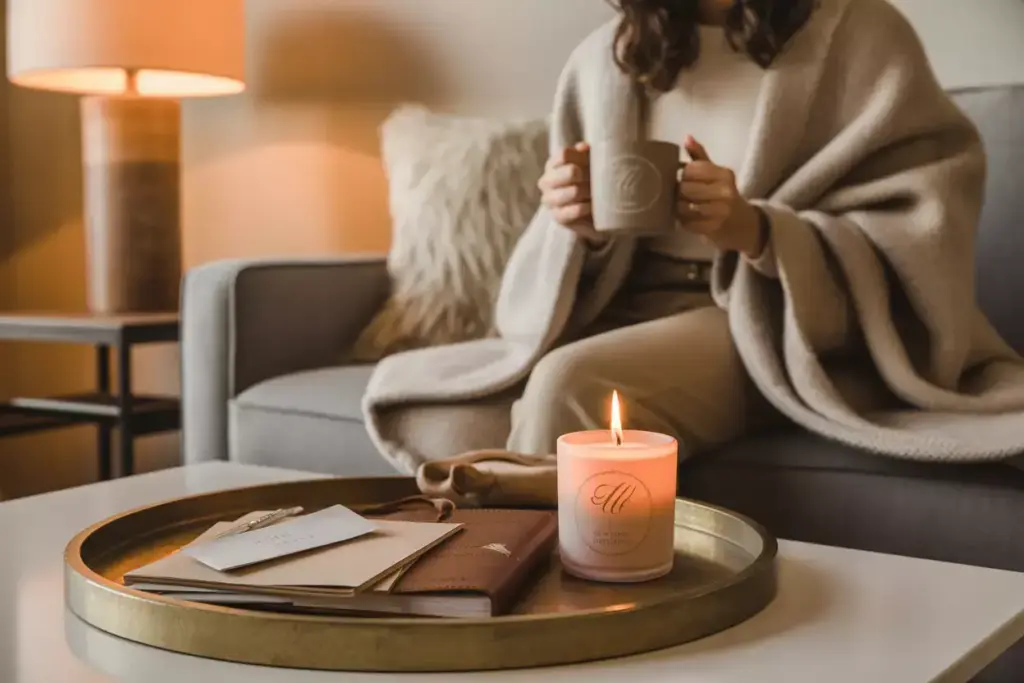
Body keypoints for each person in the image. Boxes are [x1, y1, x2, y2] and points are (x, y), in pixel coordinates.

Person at [364, 0, 1024, 482]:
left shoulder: (863, 35)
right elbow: (553, 263)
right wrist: (577, 228)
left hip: (764, 318)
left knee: (571, 384)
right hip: (623, 309)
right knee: (456, 423)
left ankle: (535, 623)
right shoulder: (608, 55)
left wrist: (757, 230)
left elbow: (921, 230)